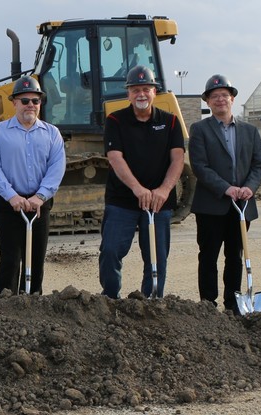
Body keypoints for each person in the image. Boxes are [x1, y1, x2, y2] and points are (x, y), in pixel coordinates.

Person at [99, 65, 186, 299]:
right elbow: (115, 158)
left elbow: (178, 159)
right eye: (135, 89)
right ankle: (109, 297)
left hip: (159, 202)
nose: (141, 94)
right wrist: (137, 189)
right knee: (110, 251)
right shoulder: (116, 120)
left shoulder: (170, 122)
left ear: (154, 92)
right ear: (128, 93)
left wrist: (164, 190)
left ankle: (152, 301)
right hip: (122, 201)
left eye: (146, 89)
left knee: (157, 257)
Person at [188, 75, 261, 313]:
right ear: (208, 102)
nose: (220, 100)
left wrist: (249, 188)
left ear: (232, 99)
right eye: (214, 96)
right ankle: (208, 305)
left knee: (235, 256)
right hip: (211, 205)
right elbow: (200, 166)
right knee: (209, 255)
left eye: (224, 95)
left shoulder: (250, 131)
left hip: (241, 205)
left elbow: (258, 165)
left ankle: (233, 304)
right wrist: (226, 188)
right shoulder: (199, 129)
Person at [0, 77, 66, 296]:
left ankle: (33, 301)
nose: (31, 105)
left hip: (40, 204)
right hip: (10, 205)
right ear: (15, 103)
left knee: (37, 258)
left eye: (35, 101)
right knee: (10, 259)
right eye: (25, 100)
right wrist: (12, 196)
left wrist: (40, 196)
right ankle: (4, 305)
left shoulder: (52, 133)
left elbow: (56, 168)